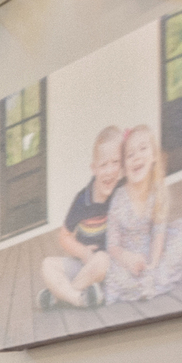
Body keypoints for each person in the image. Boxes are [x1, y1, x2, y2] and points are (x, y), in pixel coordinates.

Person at [106, 122, 182, 302]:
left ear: (153, 156)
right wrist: (127, 258)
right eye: (129, 155)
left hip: (153, 252)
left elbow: (159, 234)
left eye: (143, 149)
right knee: (111, 272)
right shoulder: (119, 199)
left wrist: (153, 263)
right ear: (124, 167)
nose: (136, 157)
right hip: (128, 258)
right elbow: (112, 244)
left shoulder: (157, 191)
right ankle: (149, 281)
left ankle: (154, 277)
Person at [41, 124, 121, 308]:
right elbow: (64, 236)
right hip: (84, 264)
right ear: (94, 168)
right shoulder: (82, 200)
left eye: (115, 162)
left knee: (101, 259)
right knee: (47, 265)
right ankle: (79, 298)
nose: (109, 171)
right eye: (103, 165)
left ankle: (60, 295)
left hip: (107, 264)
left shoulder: (121, 191)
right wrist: (84, 253)